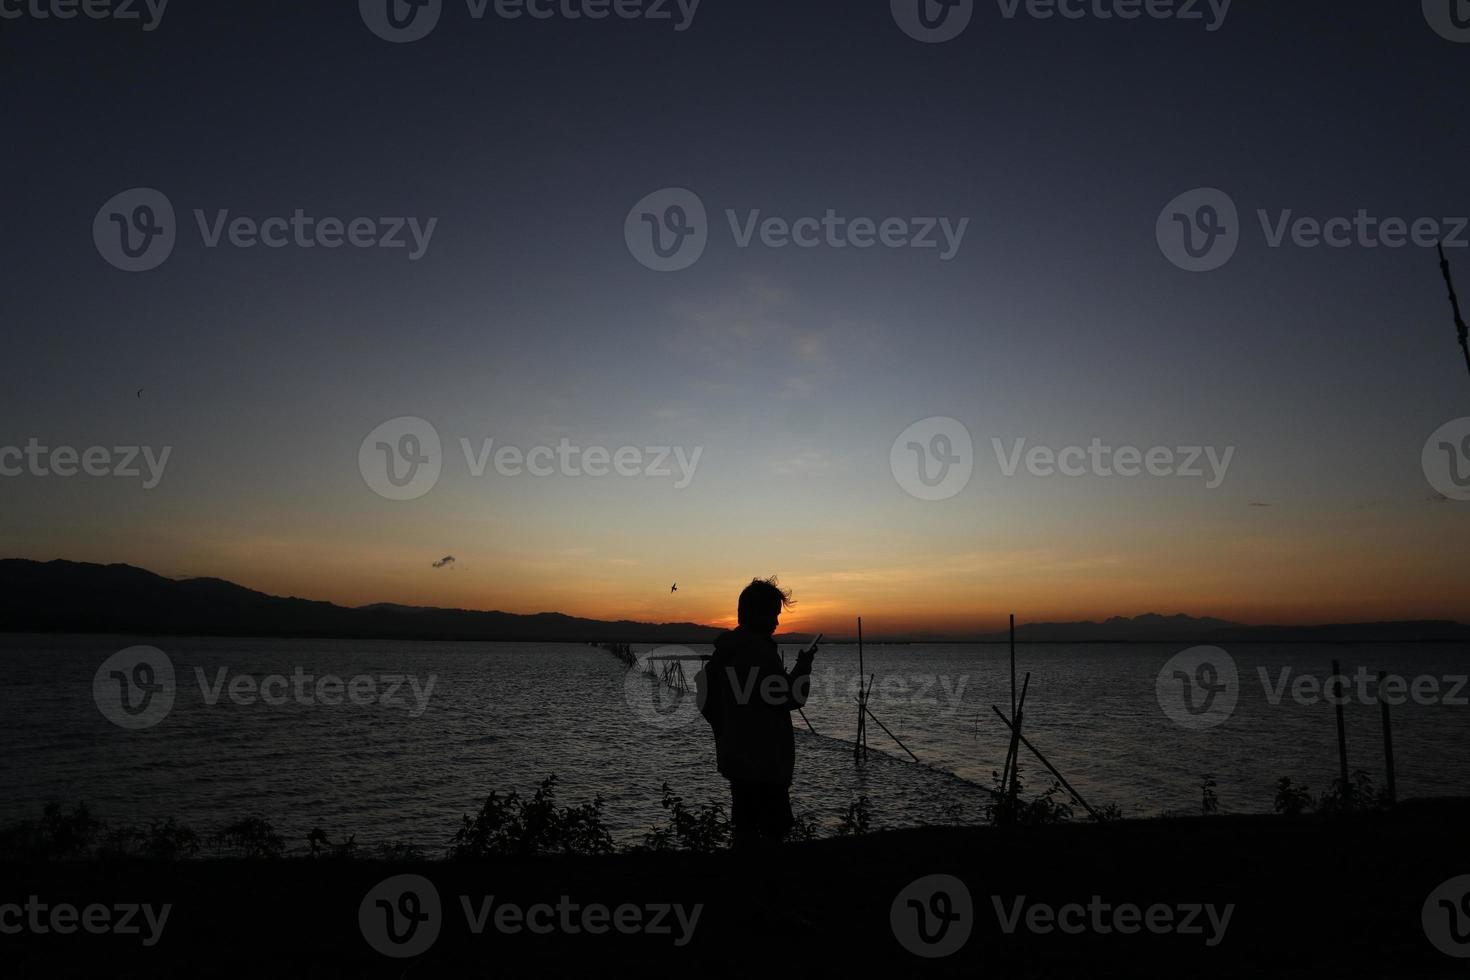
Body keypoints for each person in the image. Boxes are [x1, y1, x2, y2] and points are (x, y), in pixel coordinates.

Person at [697, 577, 818, 847]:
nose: (777, 623)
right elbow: (792, 696)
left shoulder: (724, 653)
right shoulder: (758, 652)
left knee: (744, 826)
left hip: (736, 757)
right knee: (774, 829)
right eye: (774, 615)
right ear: (756, 614)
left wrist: (728, 729)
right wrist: (804, 666)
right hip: (764, 761)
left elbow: (706, 702)